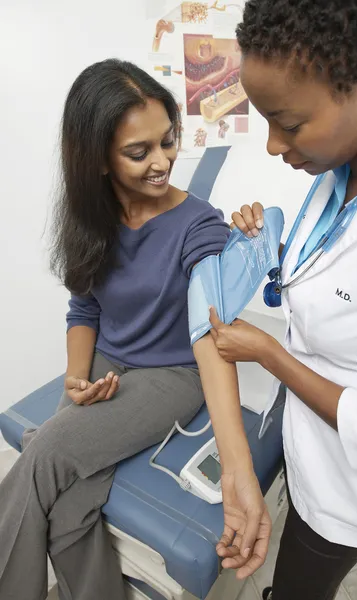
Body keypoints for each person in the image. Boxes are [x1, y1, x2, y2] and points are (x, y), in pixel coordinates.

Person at [0, 59, 269, 600]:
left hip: (171, 374)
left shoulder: (198, 226)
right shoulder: (92, 216)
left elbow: (209, 332)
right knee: (71, 504)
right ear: (97, 159)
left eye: (168, 142)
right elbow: (85, 311)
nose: (163, 162)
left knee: (43, 455)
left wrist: (238, 468)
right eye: (138, 151)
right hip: (107, 362)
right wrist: (78, 379)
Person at [208, 1, 357, 599]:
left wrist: (268, 354)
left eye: (287, 124)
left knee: (300, 581)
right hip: (305, 443)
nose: (270, 146)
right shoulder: (344, 170)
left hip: (352, 488)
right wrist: (277, 248)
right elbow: (339, 273)